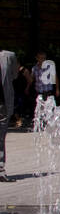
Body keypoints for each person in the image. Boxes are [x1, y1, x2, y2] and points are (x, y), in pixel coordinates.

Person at [0, 49, 15, 182]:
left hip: (3, 104)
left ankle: (0, 170)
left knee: (0, 137)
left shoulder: (9, 56)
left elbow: (14, 75)